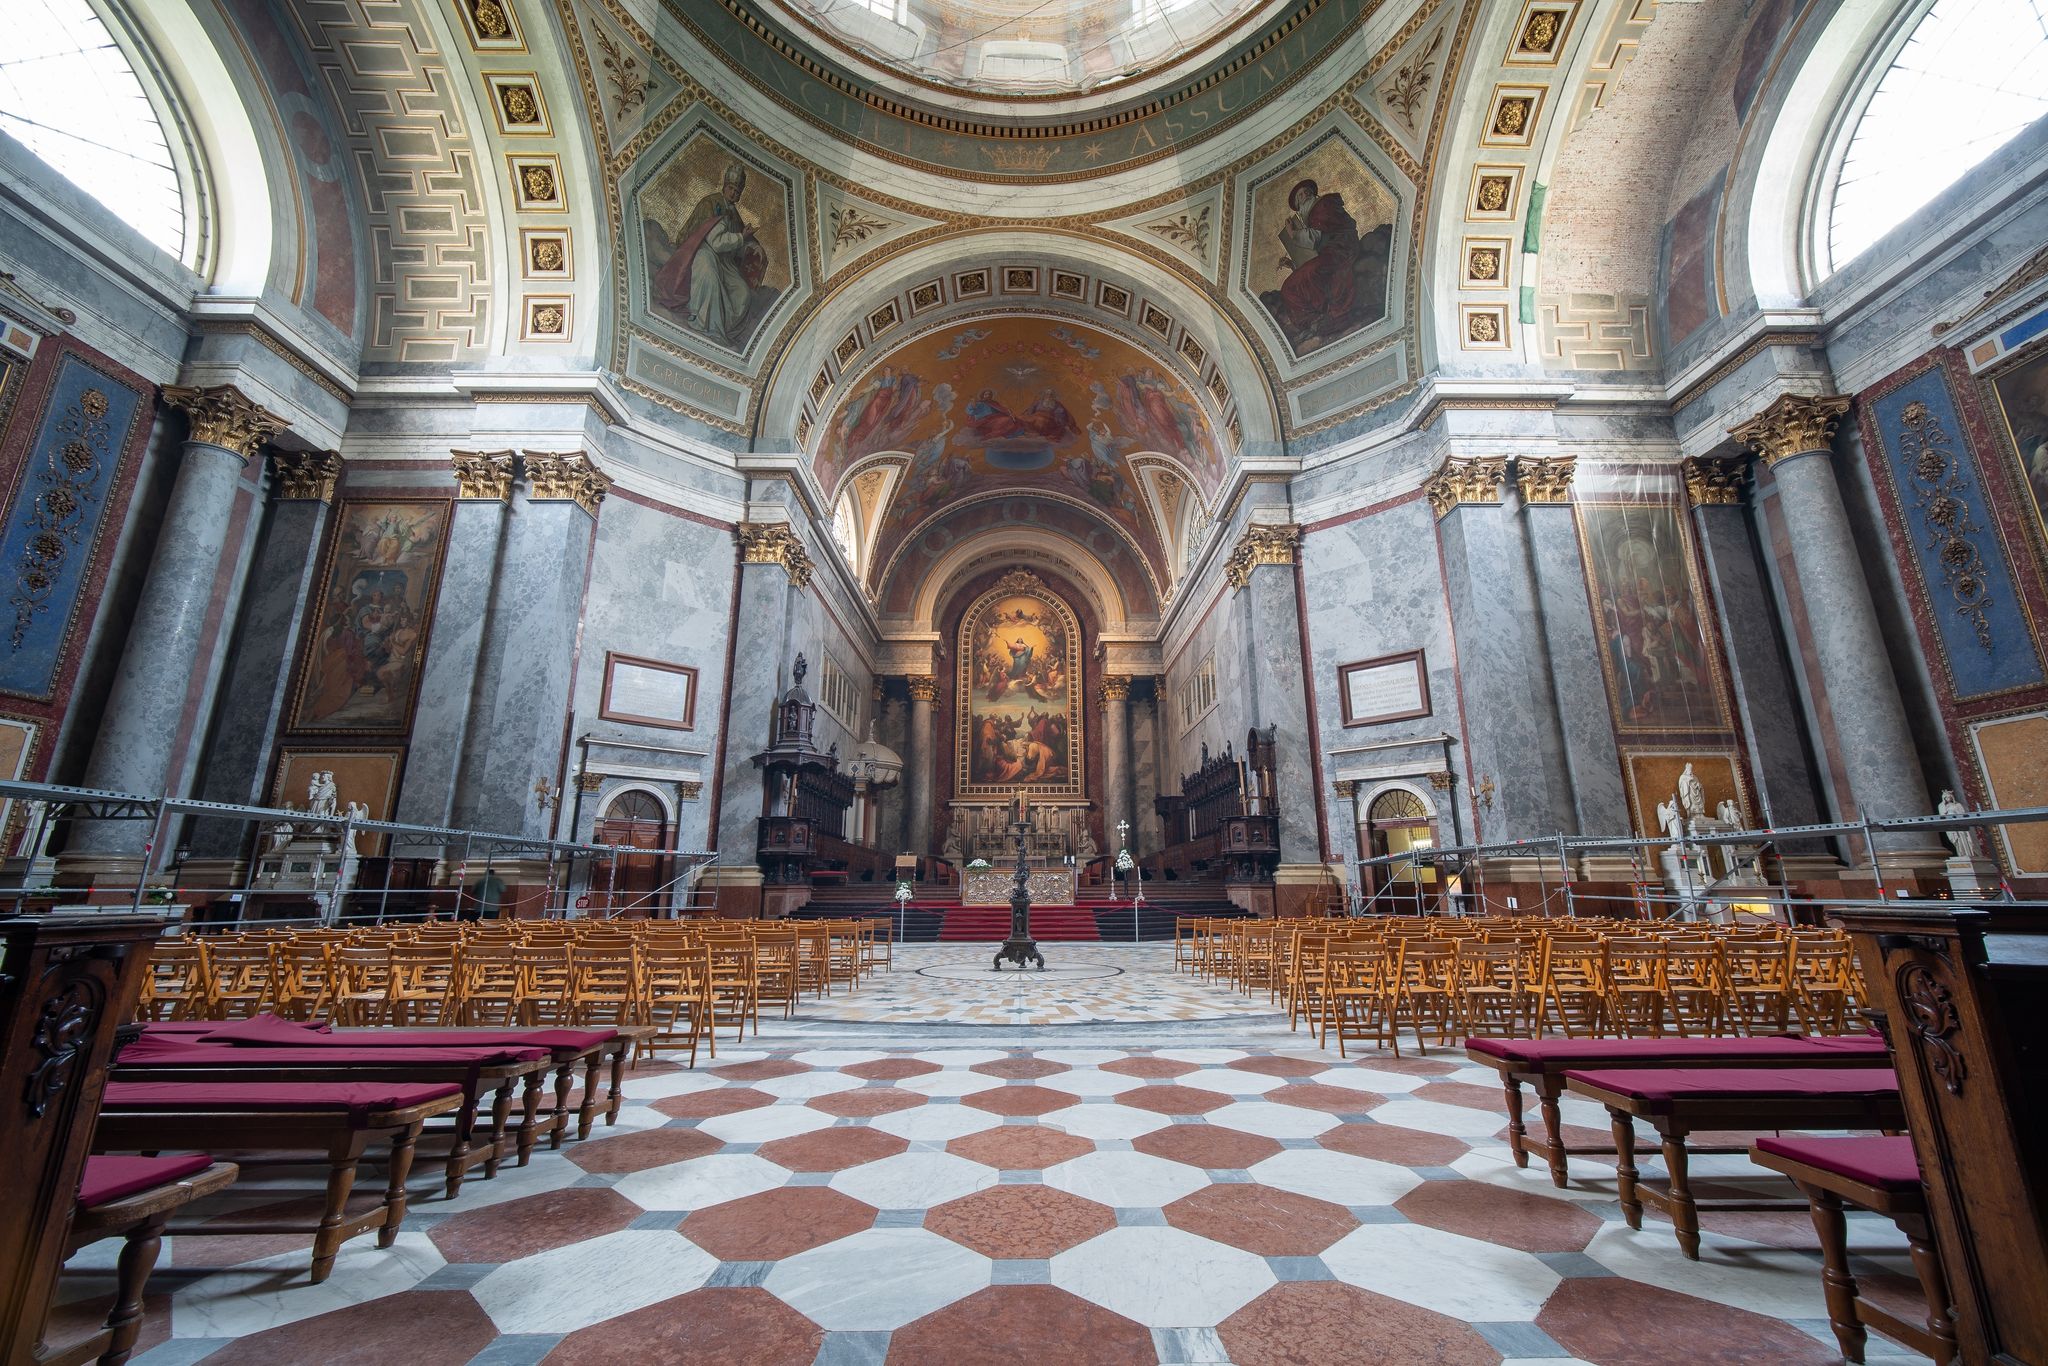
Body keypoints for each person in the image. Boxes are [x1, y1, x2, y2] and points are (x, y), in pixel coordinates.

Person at [652, 164, 768, 347]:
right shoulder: (711, 203)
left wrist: (751, 247)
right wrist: (741, 237)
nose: (733, 194)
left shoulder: (734, 214)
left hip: (725, 261)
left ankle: (724, 328)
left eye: (737, 192)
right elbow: (715, 241)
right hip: (703, 250)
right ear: (724, 186)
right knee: (709, 276)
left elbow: (738, 243)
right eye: (731, 189)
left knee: (742, 293)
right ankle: (705, 324)